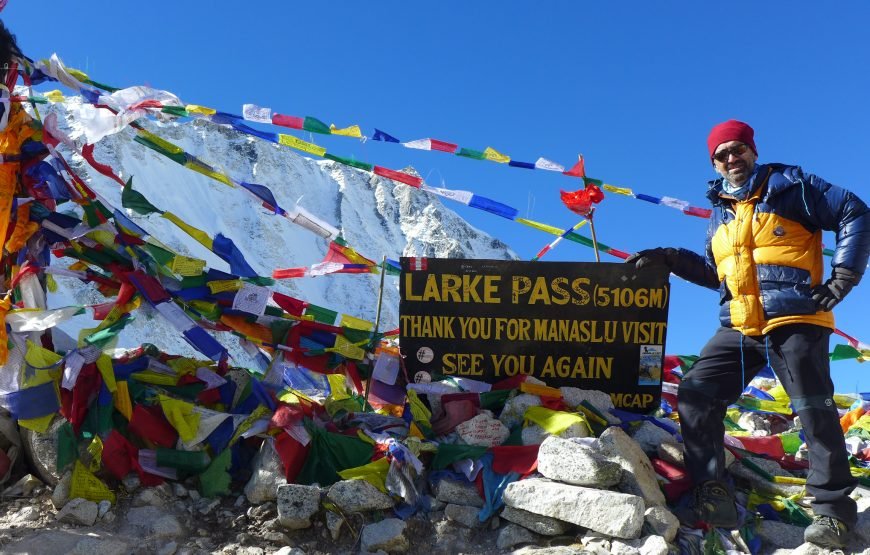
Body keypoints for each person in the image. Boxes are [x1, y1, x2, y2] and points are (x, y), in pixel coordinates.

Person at [626, 119, 870, 549]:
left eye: (737, 149)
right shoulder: (720, 211)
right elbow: (717, 274)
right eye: (721, 155)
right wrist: (667, 257)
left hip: (795, 318)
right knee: (697, 393)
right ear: (714, 164)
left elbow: (853, 210)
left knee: (812, 408)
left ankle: (833, 514)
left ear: (752, 151)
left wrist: (843, 277)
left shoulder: (791, 186)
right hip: (739, 324)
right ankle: (712, 490)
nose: (730, 159)